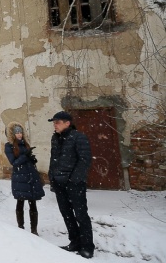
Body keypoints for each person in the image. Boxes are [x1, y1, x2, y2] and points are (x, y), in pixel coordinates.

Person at [48, 111, 95, 259]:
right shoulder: (55, 138)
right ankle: (75, 242)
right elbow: (53, 159)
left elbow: (85, 160)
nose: (55, 125)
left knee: (81, 215)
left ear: (67, 123)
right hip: (59, 184)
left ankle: (87, 247)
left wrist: (73, 180)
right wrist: (52, 178)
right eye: (54, 122)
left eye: (57, 122)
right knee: (67, 215)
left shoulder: (79, 137)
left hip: (75, 185)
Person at [4, 121, 45, 235]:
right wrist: (25, 156)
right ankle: (20, 227)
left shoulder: (25, 144)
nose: (19, 135)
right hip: (20, 178)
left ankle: (34, 230)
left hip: (31, 176)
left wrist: (32, 159)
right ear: (12, 134)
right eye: (17, 133)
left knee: (33, 203)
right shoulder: (9, 146)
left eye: (20, 132)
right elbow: (14, 162)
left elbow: (26, 160)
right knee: (20, 202)